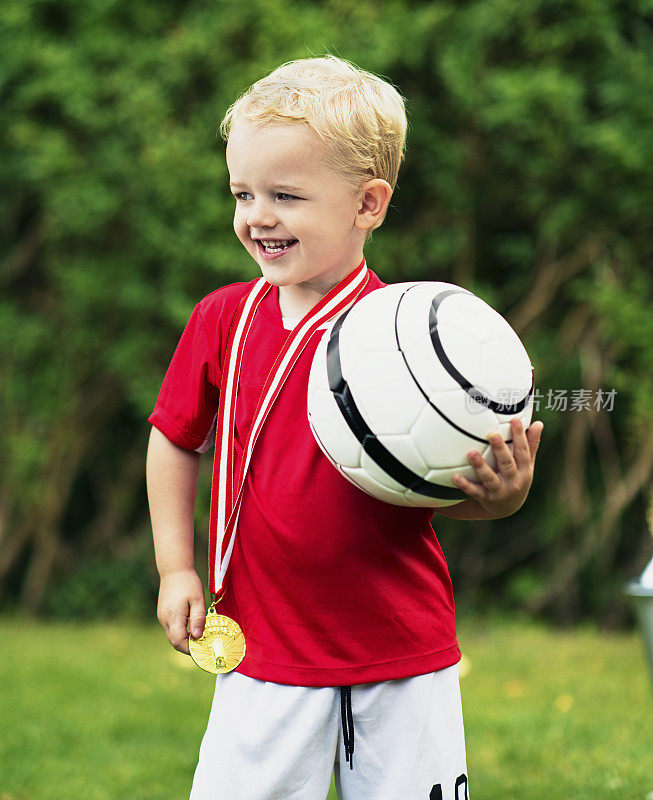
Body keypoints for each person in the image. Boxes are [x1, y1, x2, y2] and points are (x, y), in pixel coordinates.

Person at [146, 56, 543, 800]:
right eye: (242, 193)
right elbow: (173, 438)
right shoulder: (222, 321)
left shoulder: (415, 349)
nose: (256, 215)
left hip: (401, 651)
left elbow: (447, 491)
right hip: (264, 652)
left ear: (367, 203)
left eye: (285, 195)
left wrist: (503, 494)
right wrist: (175, 567)